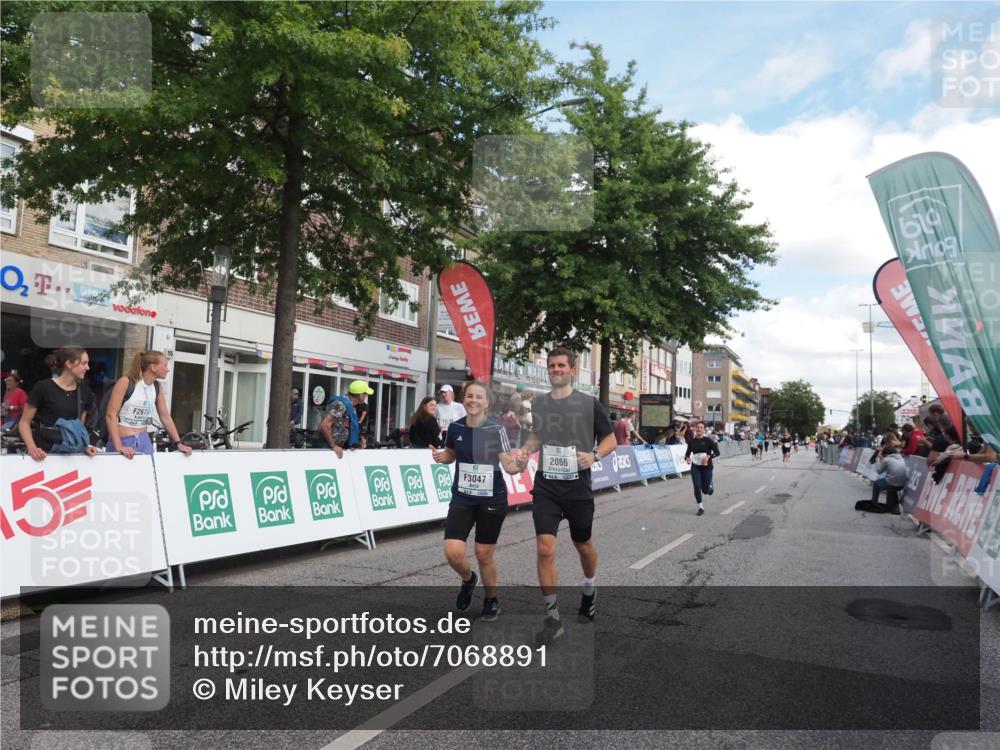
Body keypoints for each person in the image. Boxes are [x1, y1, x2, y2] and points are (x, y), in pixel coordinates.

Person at [511, 347, 616, 645]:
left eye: (561, 365)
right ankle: (552, 619)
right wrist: (525, 450)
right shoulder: (541, 404)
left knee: (582, 544)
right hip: (547, 485)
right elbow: (539, 435)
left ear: (572, 369)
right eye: (552, 366)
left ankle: (589, 588)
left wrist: (594, 455)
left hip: (578, 487)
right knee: (545, 548)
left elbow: (610, 440)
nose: (556, 370)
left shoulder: (588, 404)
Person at [432, 382, 521, 620]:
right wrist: (443, 456)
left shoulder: (495, 429)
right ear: (464, 400)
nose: (473, 400)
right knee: (452, 552)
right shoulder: (455, 427)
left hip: (491, 498)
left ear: (486, 403)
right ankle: (469, 579)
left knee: (483, 554)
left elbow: (508, 464)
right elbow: (451, 453)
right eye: (469, 396)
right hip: (462, 496)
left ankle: (491, 600)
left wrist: (518, 465)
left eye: (478, 397)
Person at [105, 351, 192, 458]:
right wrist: (118, 446)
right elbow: (110, 415)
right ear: (153, 367)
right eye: (165, 365)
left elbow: (165, 417)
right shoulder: (126, 382)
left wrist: (178, 443)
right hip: (123, 440)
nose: (168, 369)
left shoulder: (157, 386)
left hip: (144, 440)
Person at [19, 346, 98, 461]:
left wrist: (85, 446)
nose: (88, 367)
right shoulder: (43, 387)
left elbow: (79, 427)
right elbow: (24, 422)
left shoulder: (85, 392)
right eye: (84, 363)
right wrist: (32, 448)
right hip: (43, 456)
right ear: (69, 364)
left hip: (71, 457)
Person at [316, 379, 372, 457]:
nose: (366, 397)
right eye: (366, 394)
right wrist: (334, 446)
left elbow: (346, 425)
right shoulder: (341, 405)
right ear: (361, 395)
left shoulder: (350, 405)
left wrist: (356, 441)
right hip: (329, 448)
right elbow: (324, 425)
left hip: (339, 447)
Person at [684, 421, 721, 515]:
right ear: (695, 429)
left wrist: (708, 457)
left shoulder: (708, 441)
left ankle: (710, 486)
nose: (699, 429)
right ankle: (700, 507)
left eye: (701, 427)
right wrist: (687, 459)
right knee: (697, 486)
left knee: (705, 490)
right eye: (698, 427)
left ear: (704, 430)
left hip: (707, 467)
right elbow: (687, 454)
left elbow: (717, 452)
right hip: (695, 467)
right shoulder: (692, 442)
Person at [867, 446, 908, 514]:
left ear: (886, 453)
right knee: (891, 485)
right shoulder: (901, 458)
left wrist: (880, 459)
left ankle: (874, 503)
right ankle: (893, 508)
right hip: (902, 484)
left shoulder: (886, 459)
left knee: (876, 483)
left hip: (892, 483)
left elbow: (878, 471)